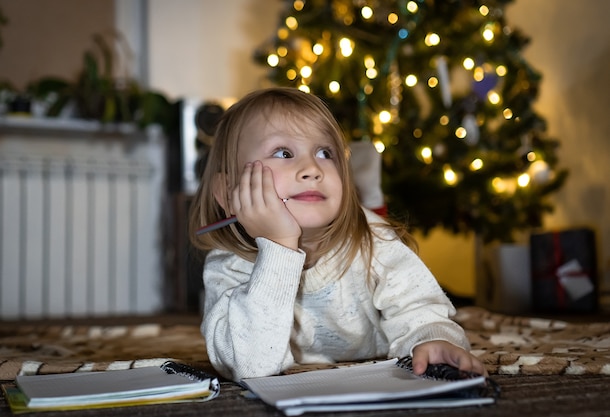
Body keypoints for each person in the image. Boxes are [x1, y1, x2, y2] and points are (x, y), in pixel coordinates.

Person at [189, 87, 485, 381]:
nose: (312, 168)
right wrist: (278, 247)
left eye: (325, 153)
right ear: (228, 194)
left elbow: (419, 307)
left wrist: (432, 340)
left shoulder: (372, 237)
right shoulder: (227, 265)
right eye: (283, 152)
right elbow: (249, 365)